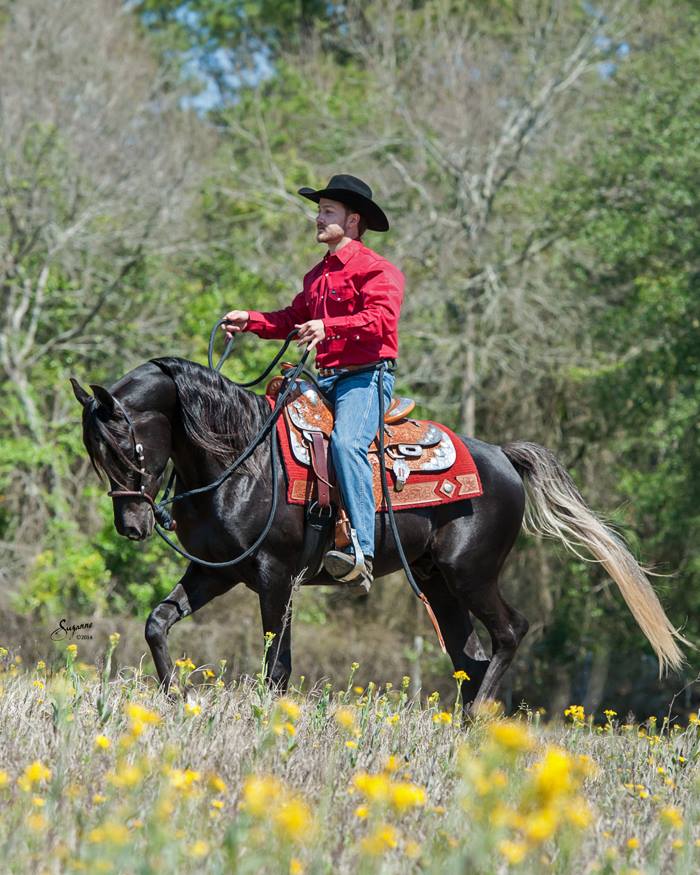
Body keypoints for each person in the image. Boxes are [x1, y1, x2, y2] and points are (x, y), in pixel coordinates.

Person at [223, 174, 404, 594]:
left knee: (345, 444)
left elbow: (382, 320)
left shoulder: (378, 270)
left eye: (327, 212)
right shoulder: (316, 276)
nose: (317, 219)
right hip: (325, 380)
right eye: (318, 211)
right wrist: (248, 320)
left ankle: (362, 547)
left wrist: (329, 326)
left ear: (353, 219)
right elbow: (290, 320)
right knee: (271, 431)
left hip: (366, 378)